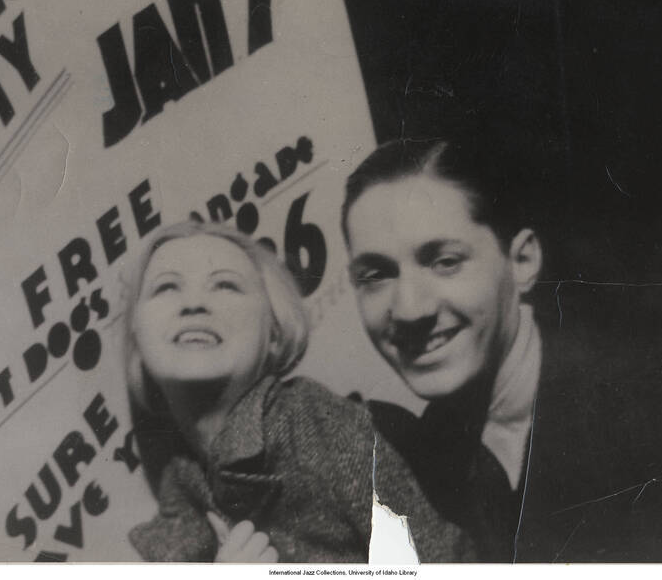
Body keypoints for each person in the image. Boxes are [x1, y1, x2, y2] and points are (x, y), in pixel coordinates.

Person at [341, 138, 662, 561]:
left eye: (445, 261)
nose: (411, 309)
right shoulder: (419, 463)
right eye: (376, 275)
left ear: (521, 261)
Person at [123, 219, 487, 562]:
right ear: (137, 337)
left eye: (225, 284)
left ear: (275, 332)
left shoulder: (315, 424)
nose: (194, 303)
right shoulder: (180, 473)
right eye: (166, 286)